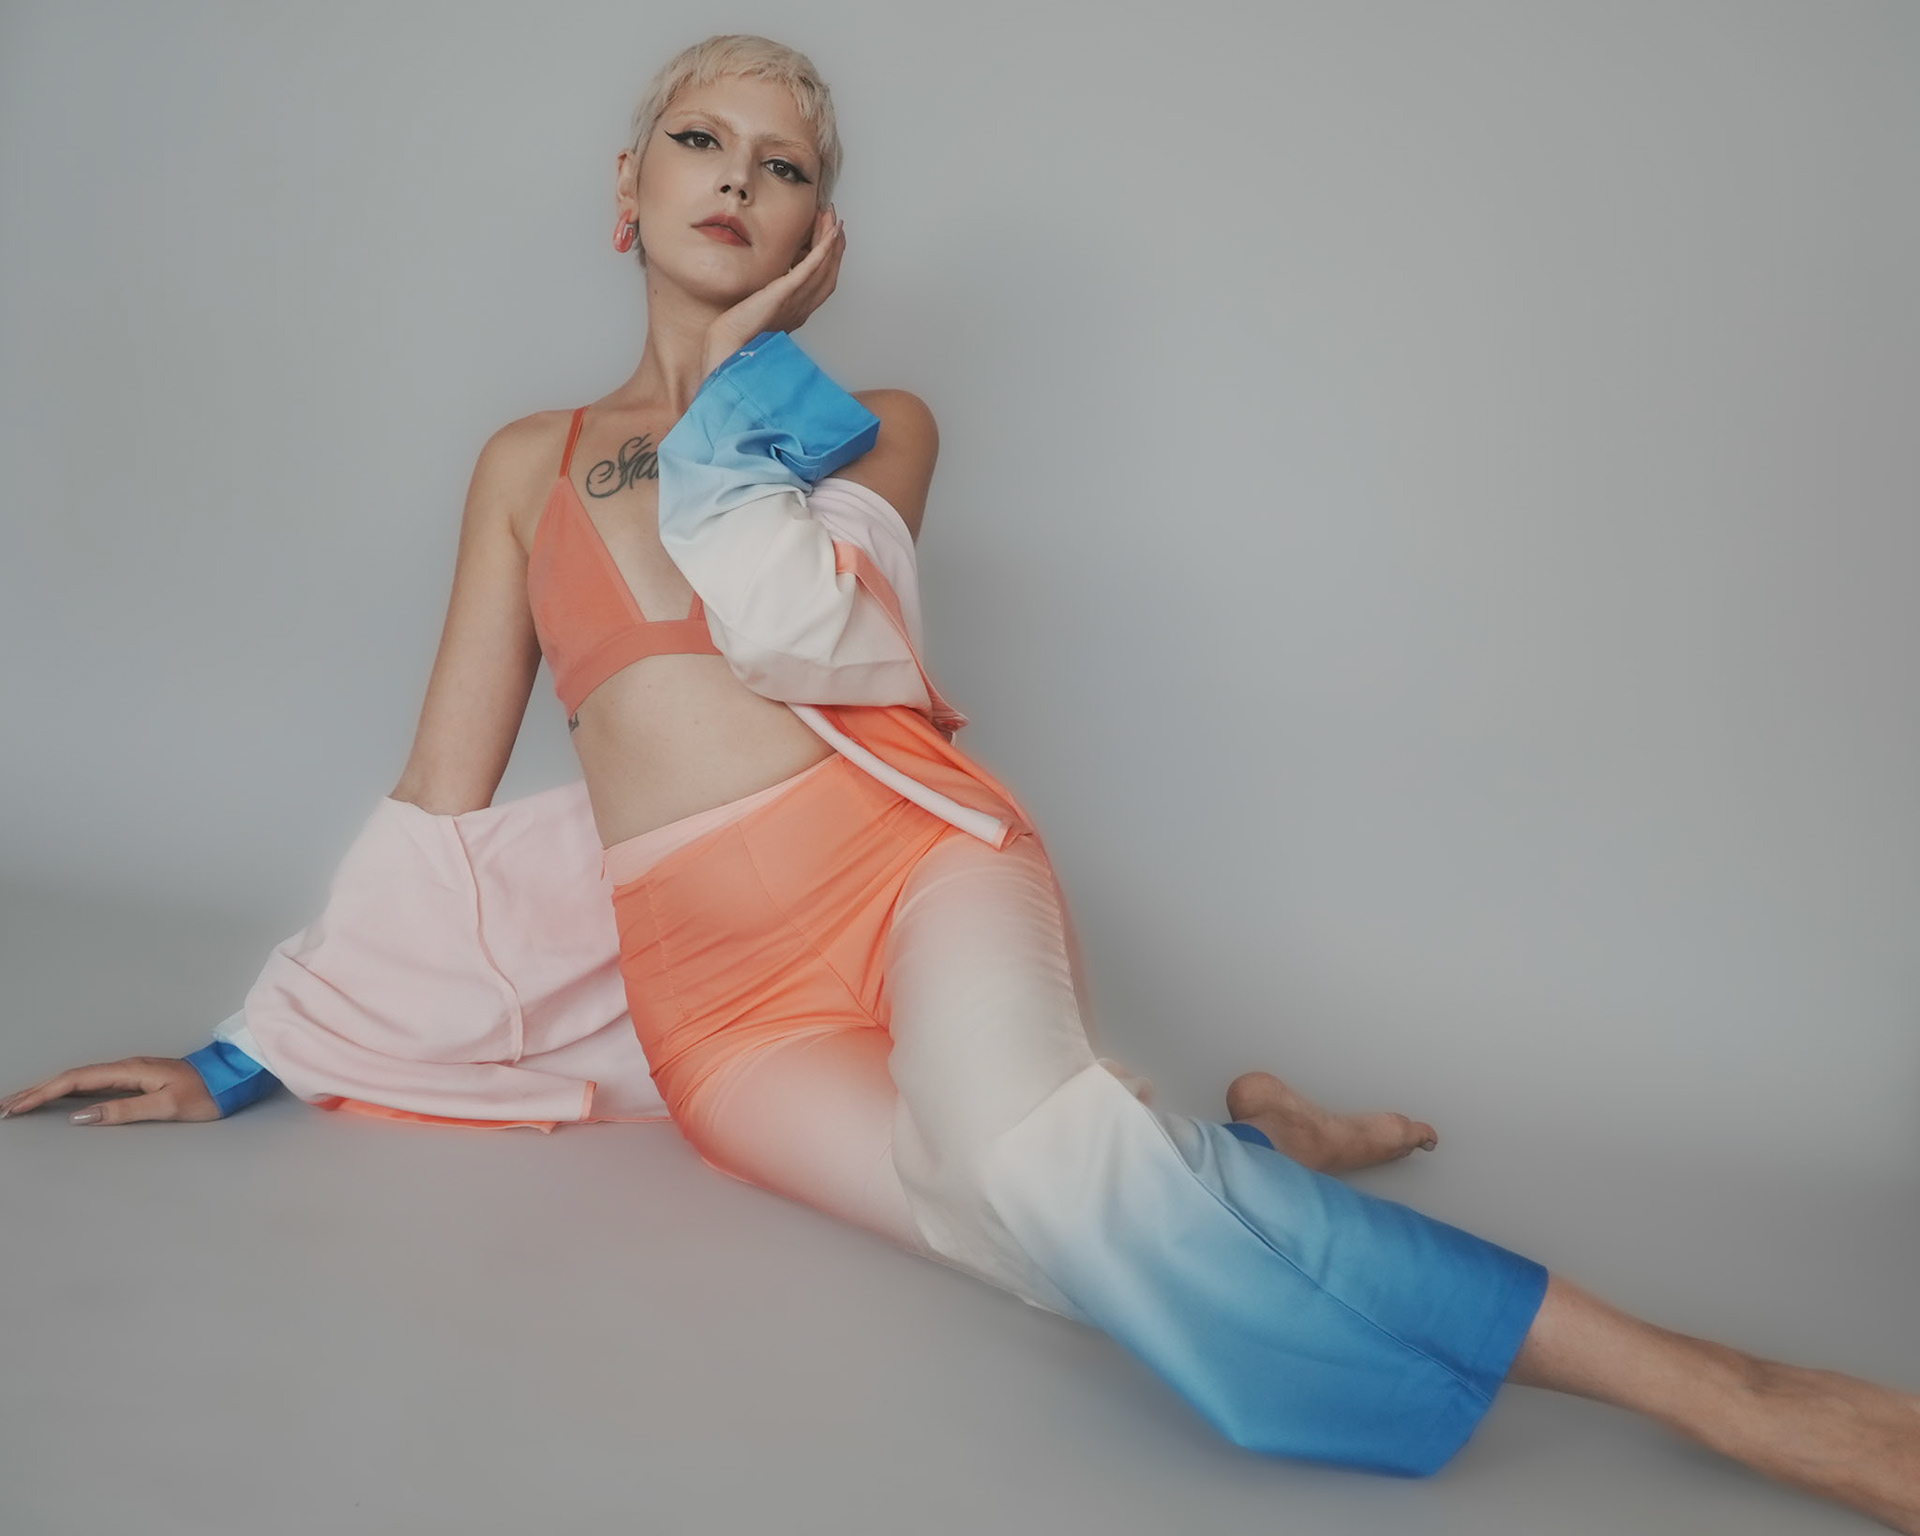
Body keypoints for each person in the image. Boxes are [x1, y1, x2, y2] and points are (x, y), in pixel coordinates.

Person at [5, 32, 1916, 1528]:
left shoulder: (870, 427)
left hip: (910, 869)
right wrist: (249, 1054)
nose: (737, 179)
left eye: (785, 166)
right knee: (1045, 1224)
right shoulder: (526, 464)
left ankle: (1715, 1387)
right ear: (625, 188)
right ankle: (1257, 1143)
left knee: (1036, 1163)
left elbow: (801, 631)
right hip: (719, 1011)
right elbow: (442, 796)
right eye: (702, 142)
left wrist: (748, 366)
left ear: (820, 232)